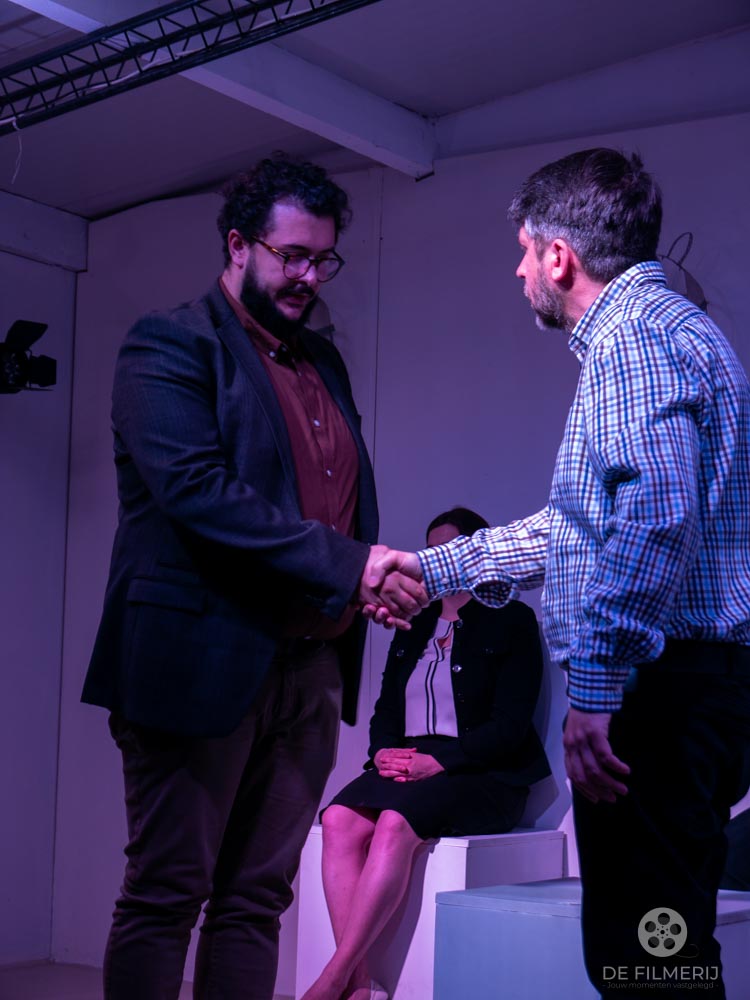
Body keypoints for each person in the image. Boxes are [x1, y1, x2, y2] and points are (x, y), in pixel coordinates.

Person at [368, 149, 750, 997]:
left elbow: (653, 518)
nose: (518, 270)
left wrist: (598, 690)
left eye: (523, 250)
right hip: (691, 691)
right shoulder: (670, 330)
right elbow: (581, 528)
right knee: (662, 951)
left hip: (660, 699)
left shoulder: (634, 340)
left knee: (647, 963)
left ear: (559, 257)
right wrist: (433, 567)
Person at [81, 154, 423, 1000]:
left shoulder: (323, 362)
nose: (309, 276)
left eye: (323, 259)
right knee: (167, 894)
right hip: (199, 660)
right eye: (291, 255)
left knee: (256, 901)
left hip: (310, 666)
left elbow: (331, 500)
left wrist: (360, 583)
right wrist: (353, 566)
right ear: (239, 245)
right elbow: (199, 494)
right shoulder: (169, 343)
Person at [301, 506, 549, 1000]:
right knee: (338, 819)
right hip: (411, 761)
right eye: (431, 549)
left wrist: (441, 762)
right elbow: (386, 709)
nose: (436, 559)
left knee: (395, 822)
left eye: (448, 549)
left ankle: (333, 979)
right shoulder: (413, 623)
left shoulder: (512, 620)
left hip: (483, 771)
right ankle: (359, 982)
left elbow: (511, 726)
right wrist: (382, 753)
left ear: (473, 553)